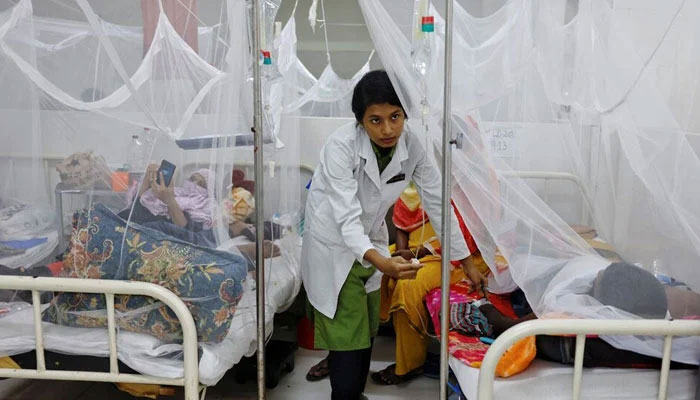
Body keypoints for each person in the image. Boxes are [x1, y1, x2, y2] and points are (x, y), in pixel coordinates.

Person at [301, 70, 487, 400]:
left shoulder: (413, 145)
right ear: (360, 121)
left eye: (395, 117)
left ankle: (355, 394)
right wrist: (382, 262)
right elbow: (346, 217)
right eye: (375, 120)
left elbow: (438, 203)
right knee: (347, 334)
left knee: (367, 327)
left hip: (371, 241)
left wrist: (466, 261)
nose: (388, 129)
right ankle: (345, 395)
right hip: (333, 245)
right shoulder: (340, 147)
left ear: (404, 114)